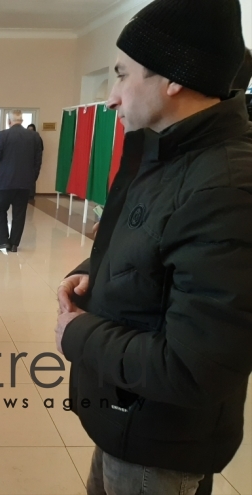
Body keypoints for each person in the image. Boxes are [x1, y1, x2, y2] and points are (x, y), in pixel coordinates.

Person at [55, 1, 252, 494]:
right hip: (127, 415)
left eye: (122, 75)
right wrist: (92, 273)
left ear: (174, 79)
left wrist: (75, 335)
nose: (112, 98)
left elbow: (193, 365)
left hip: (160, 439)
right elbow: (146, 245)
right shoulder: (163, 150)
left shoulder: (223, 187)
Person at [0, 110, 43, 252]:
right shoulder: (34, 136)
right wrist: (32, 179)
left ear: (9, 121)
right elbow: (37, 161)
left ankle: (2, 241)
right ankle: (14, 244)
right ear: (22, 121)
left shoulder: (3, 135)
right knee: (19, 214)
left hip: (4, 183)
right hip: (25, 183)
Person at [26, 123, 44, 199]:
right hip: (25, 162)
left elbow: (41, 149)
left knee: (32, 179)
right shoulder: (25, 138)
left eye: (32, 130)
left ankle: (31, 195)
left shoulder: (38, 138)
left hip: (33, 162)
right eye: (29, 130)